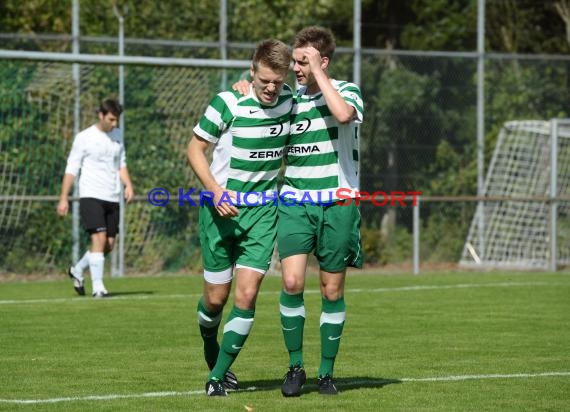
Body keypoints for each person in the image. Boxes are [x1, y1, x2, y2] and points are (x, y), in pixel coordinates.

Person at [234, 26, 364, 396]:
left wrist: (319, 74)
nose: (296, 67)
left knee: (332, 290)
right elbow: (258, 101)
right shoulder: (288, 99)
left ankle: (326, 373)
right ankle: (295, 367)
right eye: (295, 60)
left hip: (339, 202)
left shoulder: (348, 91)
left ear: (322, 61)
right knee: (291, 282)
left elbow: (342, 115)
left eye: (303, 60)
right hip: (294, 201)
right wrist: (243, 89)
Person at [187, 38, 293, 397]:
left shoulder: (291, 103)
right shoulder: (228, 102)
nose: (270, 88)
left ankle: (216, 378)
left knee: (246, 296)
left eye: (277, 82)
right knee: (215, 300)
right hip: (218, 211)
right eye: (264, 79)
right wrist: (215, 191)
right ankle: (208, 343)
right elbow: (195, 149)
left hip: (263, 213)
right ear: (252, 70)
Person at [57, 98, 134, 298]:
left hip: (112, 196)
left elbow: (121, 164)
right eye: (111, 119)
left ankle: (77, 270)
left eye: (116, 120)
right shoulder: (84, 137)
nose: (114, 124)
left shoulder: (117, 135)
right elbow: (72, 168)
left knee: (108, 244)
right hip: (91, 194)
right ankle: (98, 287)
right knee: (98, 239)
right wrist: (64, 197)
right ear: (100, 115)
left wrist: (129, 185)